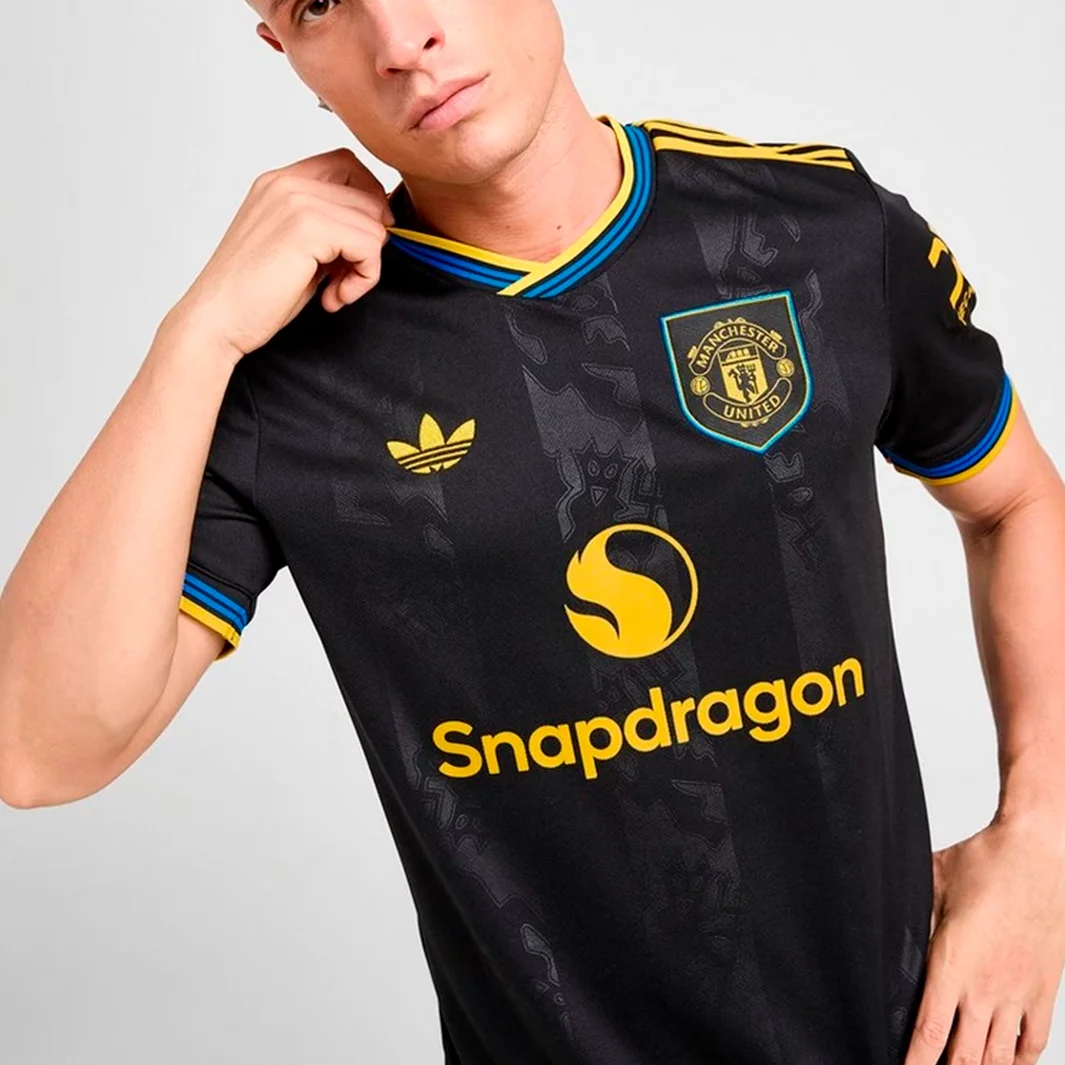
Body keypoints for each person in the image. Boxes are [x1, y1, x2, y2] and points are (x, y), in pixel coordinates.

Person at [1, 1, 1064, 1063]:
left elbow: (1016, 502)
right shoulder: (284, 371)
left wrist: (1042, 842)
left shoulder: (817, 232)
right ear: (288, 54)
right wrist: (195, 337)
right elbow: (35, 750)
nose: (400, 39)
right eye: (319, 2)